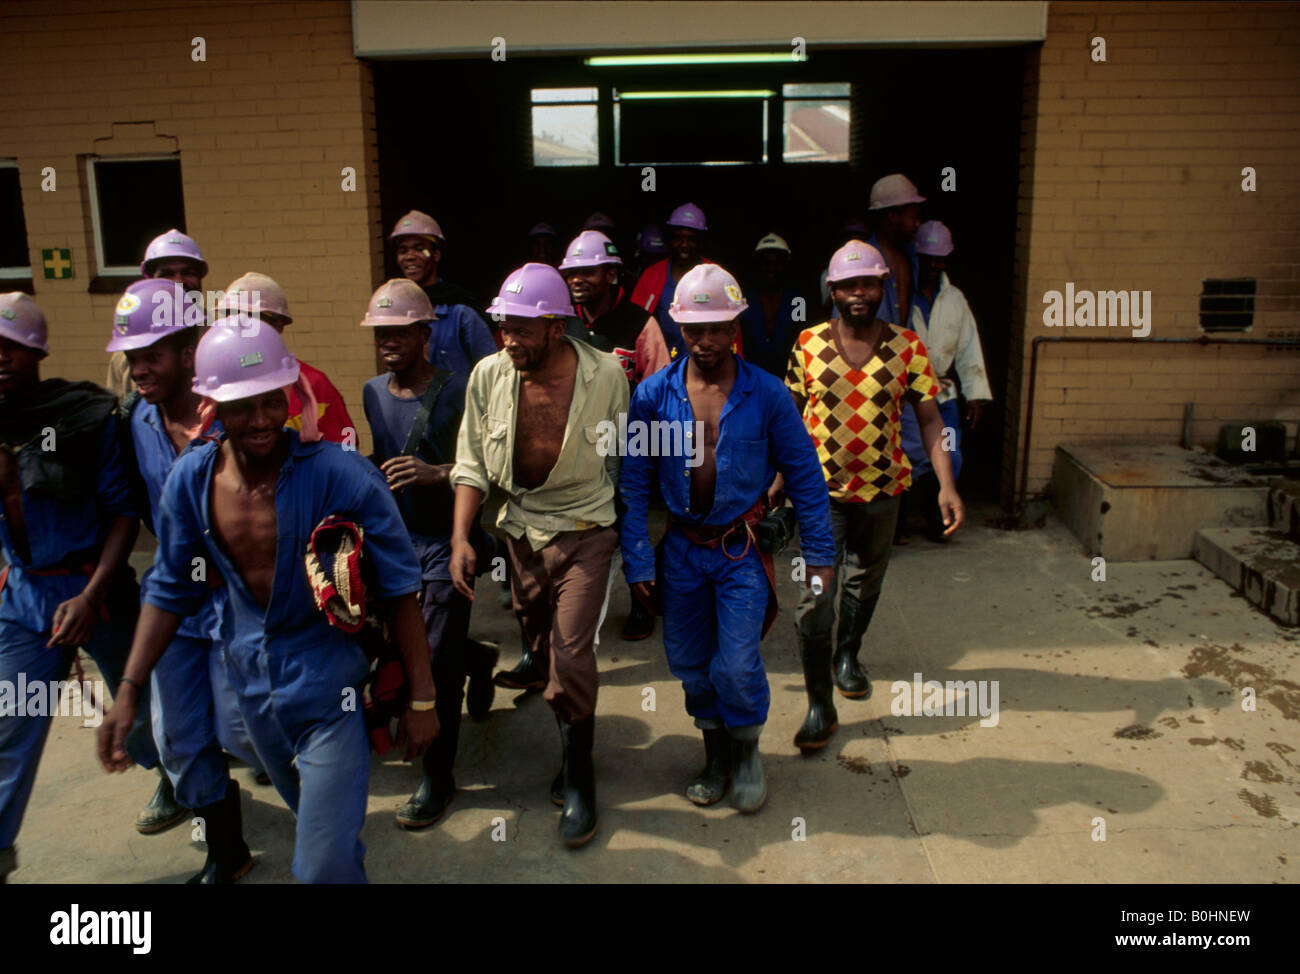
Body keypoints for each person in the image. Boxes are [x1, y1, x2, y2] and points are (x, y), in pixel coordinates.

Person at [98, 320, 438, 883]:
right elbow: (169, 588)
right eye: (241, 406)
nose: (260, 420)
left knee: (320, 866)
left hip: (331, 690)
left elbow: (401, 586)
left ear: (290, 394)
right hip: (250, 689)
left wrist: (422, 698)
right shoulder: (192, 482)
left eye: (271, 401)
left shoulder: (340, 474)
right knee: (316, 823)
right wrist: (130, 690)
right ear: (211, 403)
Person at [620, 264, 836, 813]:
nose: (707, 340)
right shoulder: (652, 396)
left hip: (741, 550)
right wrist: (639, 559)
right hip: (683, 551)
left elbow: (806, 476)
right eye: (695, 328)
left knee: (736, 664)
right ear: (678, 328)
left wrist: (820, 555)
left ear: (736, 325)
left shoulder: (766, 394)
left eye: (718, 326)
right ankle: (714, 755)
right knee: (690, 663)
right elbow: (636, 479)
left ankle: (745, 755)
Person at [449, 263, 628, 848]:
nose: (509, 338)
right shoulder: (488, 377)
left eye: (522, 328)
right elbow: (473, 462)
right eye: (504, 325)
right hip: (519, 532)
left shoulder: (605, 375)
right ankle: (569, 732)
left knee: (572, 654)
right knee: (545, 651)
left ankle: (580, 781)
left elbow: (622, 454)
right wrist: (460, 537)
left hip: (585, 528)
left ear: (555, 326)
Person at [0, 293, 160, 882]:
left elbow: (122, 514)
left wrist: (91, 595)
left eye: (11, 347)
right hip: (24, 597)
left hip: (101, 590)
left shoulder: (86, 417)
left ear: (37, 350)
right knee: (8, 727)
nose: (0, 358)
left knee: (143, 715)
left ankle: (180, 783)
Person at [782, 241, 964, 753]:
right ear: (832, 290)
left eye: (868, 284)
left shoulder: (907, 347)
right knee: (815, 599)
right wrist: (775, 480)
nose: (859, 293)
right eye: (848, 285)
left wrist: (947, 485)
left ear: (882, 288)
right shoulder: (808, 343)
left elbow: (930, 419)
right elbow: (789, 417)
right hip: (819, 496)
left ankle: (848, 655)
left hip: (885, 490)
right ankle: (820, 704)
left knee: (864, 581)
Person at [103, 279, 254, 882]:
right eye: (132, 358)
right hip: (175, 601)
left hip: (243, 596)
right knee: (179, 736)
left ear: (189, 351)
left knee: (247, 729)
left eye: (152, 356)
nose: (139, 370)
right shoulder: (134, 420)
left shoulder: (239, 412)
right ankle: (228, 849)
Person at [359, 279, 498, 829]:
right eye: (380, 333)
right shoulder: (372, 393)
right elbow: (381, 457)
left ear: (424, 333)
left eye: (400, 332)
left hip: (449, 543)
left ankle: (438, 779)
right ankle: (477, 657)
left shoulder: (460, 388)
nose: (389, 341)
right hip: (396, 544)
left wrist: (436, 472)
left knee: (434, 670)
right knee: (400, 645)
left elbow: (490, 464)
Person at [560, 229, 670, 642]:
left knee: (633, 527)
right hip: (573, 447)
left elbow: (658, 385)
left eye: (588, 271)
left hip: (627, 445)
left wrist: (652, 452)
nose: (577, 279)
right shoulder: (561, 321)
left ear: (612, 274)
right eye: (572, 272)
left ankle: (643, 605)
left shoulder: (639, 323)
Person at [898, 221, 993, 542]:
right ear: (916, 254)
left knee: (948, 455)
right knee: (906, 457)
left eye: (940, 259)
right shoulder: (901, 293)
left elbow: (969, 345)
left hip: (943, 393)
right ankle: (895, 526)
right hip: (907, 393)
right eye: (927, 257)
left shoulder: (954, 299)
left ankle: (939, 518)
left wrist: (975, 393)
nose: (933, 265)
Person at [216, 272, 355, 445]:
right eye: (230, 318)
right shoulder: (215, 385)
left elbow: (347, 448)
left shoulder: (313, 385)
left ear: (279, 325)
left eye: (249, 319)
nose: (239, 328)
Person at [388, 210, 496, 373]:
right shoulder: (395, 310)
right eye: (403, 251)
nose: (409, 256)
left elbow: (492, 372)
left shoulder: (461, 313)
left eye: (419, 249)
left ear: (436, 254)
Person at [106, 228, 208, 400]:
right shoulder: (125, 356)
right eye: (167, 274)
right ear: (149, 281)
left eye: (188, 272)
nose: (178, 281)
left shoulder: (218, 335)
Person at [630, 202, 714, 359]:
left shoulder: (715, 275)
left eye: (691, 239)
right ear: (669, 240)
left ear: (701, 242)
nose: (684, 245)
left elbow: (731, 327)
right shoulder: (652, 275)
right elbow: (634, 323)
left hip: (707, 367)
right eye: (678, 238)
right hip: (661, 369)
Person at [738, 233, 805, 378]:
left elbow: (801, 337)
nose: (771, 269)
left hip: (788, 378)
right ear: (757, 264)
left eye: (777, 263)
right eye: (766, 263)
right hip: (750, 377)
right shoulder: (743, 300)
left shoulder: (798, 301)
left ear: (786, 264)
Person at [865, 174, 925, 331]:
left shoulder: (913, 258)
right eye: (914, 217)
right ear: (893, 216)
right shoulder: (861, 261)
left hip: (903, 352)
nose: (918, 224)